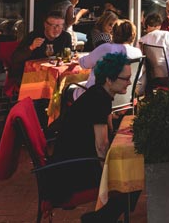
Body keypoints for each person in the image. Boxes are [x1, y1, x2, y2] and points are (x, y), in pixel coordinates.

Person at [51, 52, 133, 222]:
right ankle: (101, 218)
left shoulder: (99, 93)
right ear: (109, 80)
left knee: (130, 170)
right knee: (130, 176)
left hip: (67, 164)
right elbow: (102, 145)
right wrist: (109, 177)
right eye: (125, 79)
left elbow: (107, 129)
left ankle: (101, 217)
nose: (130, 82)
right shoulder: (99, 100)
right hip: (73, 172)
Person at [79, 19, 143, 96]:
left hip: (98, 96)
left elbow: (84, 64)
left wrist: (79, 58)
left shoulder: (106, 48)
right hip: (126, 97)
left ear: (114, 33)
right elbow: (138, 75)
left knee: (67, 91)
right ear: (133, 35)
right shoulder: (137, 52)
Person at [10, 11, 72, 85]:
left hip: (55, 76)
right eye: (54, 26)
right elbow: (15, 58)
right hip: (32, 76)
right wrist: (31, 47)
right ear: (45, 25)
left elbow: (68, 58)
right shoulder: (33, 36)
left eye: (60, 25)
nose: (57, 29)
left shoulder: (65, 37)